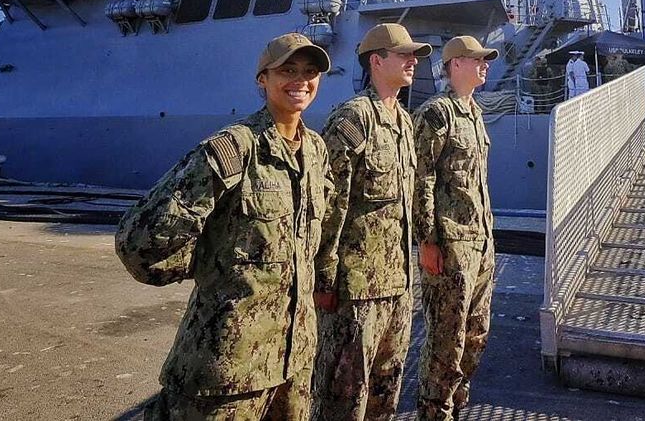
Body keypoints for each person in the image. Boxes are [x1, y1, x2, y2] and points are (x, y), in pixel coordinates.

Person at [114, 33, 334, 421]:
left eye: (310, 71)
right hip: (229, 366)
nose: (300, 80)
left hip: (294, 363)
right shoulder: (234, 149)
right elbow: (138, 239)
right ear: (262, 79)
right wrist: (195, 263)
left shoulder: (315, 151)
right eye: (287, 70)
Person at [311, 22, 431, 421]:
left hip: (397, 286)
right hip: (355, 290)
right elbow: (328, 203)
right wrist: (324, 279)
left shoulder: (403, 123)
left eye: (414, 54)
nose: (413, 60)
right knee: (344, 398)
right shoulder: (354, 118)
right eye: (404, 54)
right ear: (377, 61)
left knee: (386, 390)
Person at [413, 35, 499, 421]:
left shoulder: (475, 113)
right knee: (446, 340)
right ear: (455, 65)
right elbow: (421, 178)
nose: (485, 64)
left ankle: (458, 404)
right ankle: (435, 411)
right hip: (450, 244)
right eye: (477, 59)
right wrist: (427, 240)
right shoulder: (437, 113)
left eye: (485, 59)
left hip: (481, 241)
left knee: (476, 335)